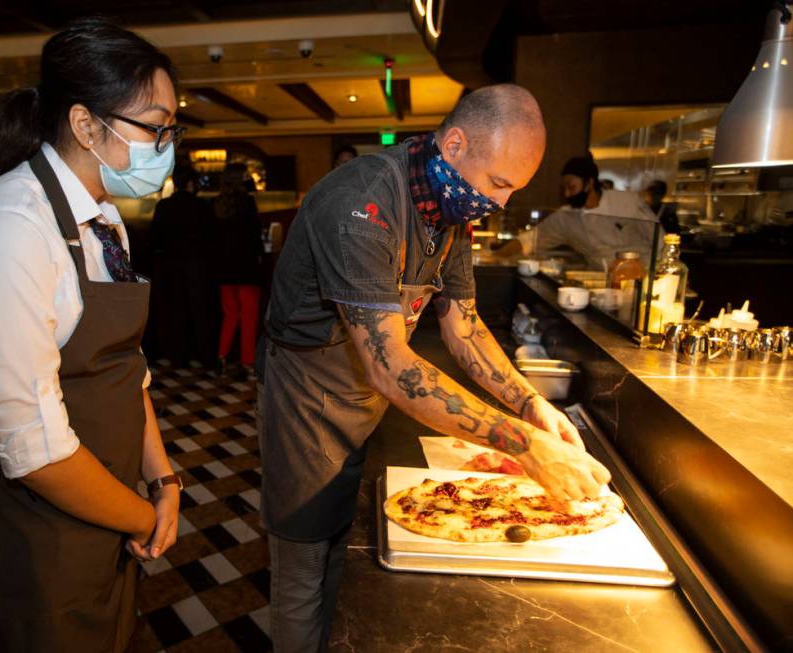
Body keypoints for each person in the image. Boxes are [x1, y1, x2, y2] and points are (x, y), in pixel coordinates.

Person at [257, 84, 611, 652]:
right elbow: (392, 365)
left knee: (343, 562)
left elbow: (464, 325)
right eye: (499, 184)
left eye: (512, 190)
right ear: (455, 143)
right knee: (303, 566)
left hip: (370, 395)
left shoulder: (452, 206)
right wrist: (524, 444)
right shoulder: (361, 204)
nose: (500, 203)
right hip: (308, 400)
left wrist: (531, 404)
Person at [0, 19, 183, 652]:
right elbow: (32, 448)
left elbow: (127, 367)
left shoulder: (105, 221)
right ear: (85, 125)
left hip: (109, 499)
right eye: (155, 127)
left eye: (173, 128)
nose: (167, 143)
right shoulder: (7, 230)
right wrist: (141, 513)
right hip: (33, 524)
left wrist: (163, 478)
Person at [496, 154, 661, 269]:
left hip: (641, 279)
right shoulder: (566, 216)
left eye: (571, 187)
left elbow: (659, 240)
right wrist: (496, 257)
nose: (567, 194)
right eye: (564, 188)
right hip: (600, 284)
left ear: (589, 183)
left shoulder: (627, 202)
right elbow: (529, 240)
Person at [150, 164, 218, 366]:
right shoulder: (202, 206)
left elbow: (155, 238)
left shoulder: (163, 206)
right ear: (191, 183)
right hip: (196, 265)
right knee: (200, 311)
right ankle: (205, 355)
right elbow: (212, 237)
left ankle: (177, 356)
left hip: (169, 266)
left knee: (175, 310)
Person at [214, 162, 263, 377]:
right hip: (246, 267)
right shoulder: (248, 202)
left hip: (224, 268)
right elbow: (254, 237)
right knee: (249, 316)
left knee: (230, 315)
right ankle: (247, 362)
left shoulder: (216, 204)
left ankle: (221, 357)